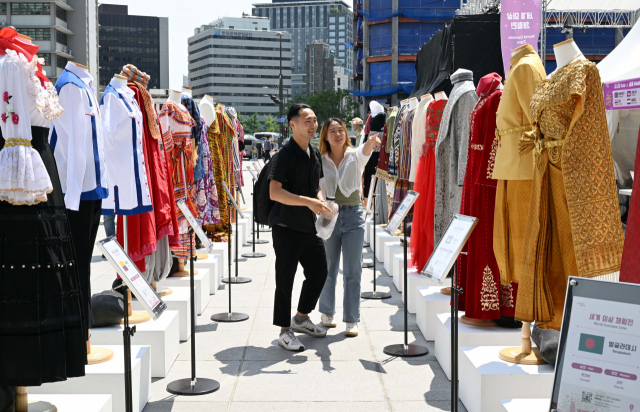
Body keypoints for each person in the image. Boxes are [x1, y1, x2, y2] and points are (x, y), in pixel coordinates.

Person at [269, 103, 331, 351]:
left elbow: (315, 185)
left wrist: (320, 200)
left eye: (315, 120)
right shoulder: (284, 154)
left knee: (319, 271)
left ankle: (301, 317)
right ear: (292, 124)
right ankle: (284, 331)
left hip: (307, 225)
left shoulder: (314, 153)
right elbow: (275, 193)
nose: (313, 124)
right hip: (285, 226)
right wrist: (308, 201)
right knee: (285, 279)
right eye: (307, 120)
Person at [318, 119, 381, 337]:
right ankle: (326, 312)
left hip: (353, 216)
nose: (337, 134)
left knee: (353, 271)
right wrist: (320, 205)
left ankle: (352, 318)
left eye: (340, 130)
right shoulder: (320, 159)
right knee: (328, 269)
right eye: (332, 131)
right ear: (325, 136)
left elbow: (364, 152)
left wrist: (371, 142)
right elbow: (316, 185)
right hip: (329, 214)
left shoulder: (354, 155)